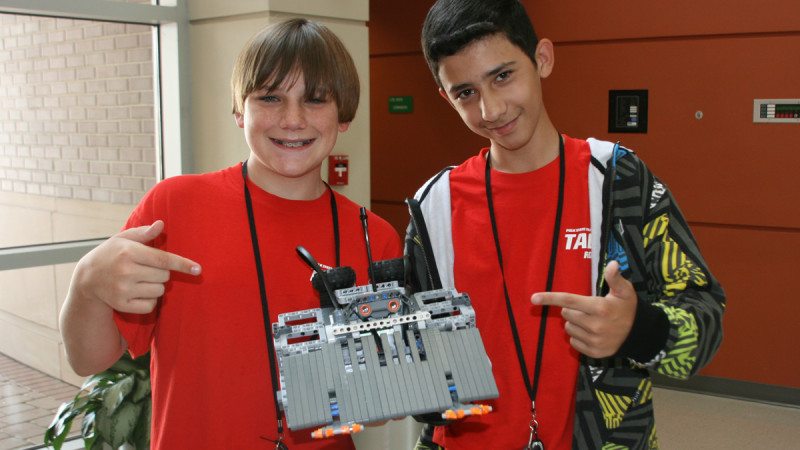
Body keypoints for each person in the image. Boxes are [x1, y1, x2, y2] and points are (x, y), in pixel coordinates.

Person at [60, 18, 402, 450]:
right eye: (270, 98)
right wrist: (86, 284)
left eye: (316, 100)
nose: (293, 119)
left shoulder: (374, 236)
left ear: (344, 115)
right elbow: (87, 358)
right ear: (240, 110)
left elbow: (381, 391)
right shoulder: (174, 209)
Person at [405, 0, 726, 448]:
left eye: (502, 76)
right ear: (446, 97)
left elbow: (706, 316)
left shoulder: (619, 180)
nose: (491, 109)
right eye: (466, 93)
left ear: (542, 59)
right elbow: (411, 345)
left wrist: (637, 328)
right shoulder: (433, 205)